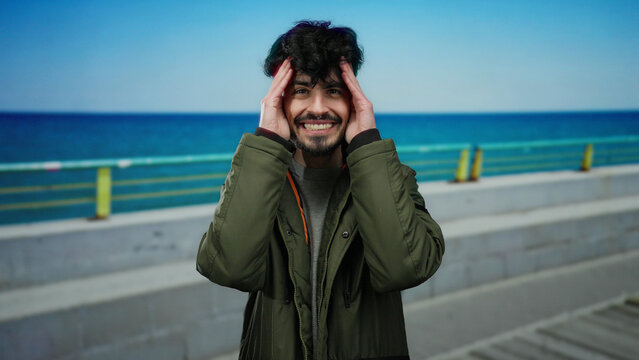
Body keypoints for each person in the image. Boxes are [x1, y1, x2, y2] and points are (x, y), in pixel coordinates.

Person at [196, 20, 445, 360]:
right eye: (300, 90)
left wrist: (366, 143)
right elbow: (226, 267)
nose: (317, 107)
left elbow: (407, 267)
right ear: (279, 101)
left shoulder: (390, 179)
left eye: (333, 91)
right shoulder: (260, 181)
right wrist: (267, 139)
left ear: (354, 100)